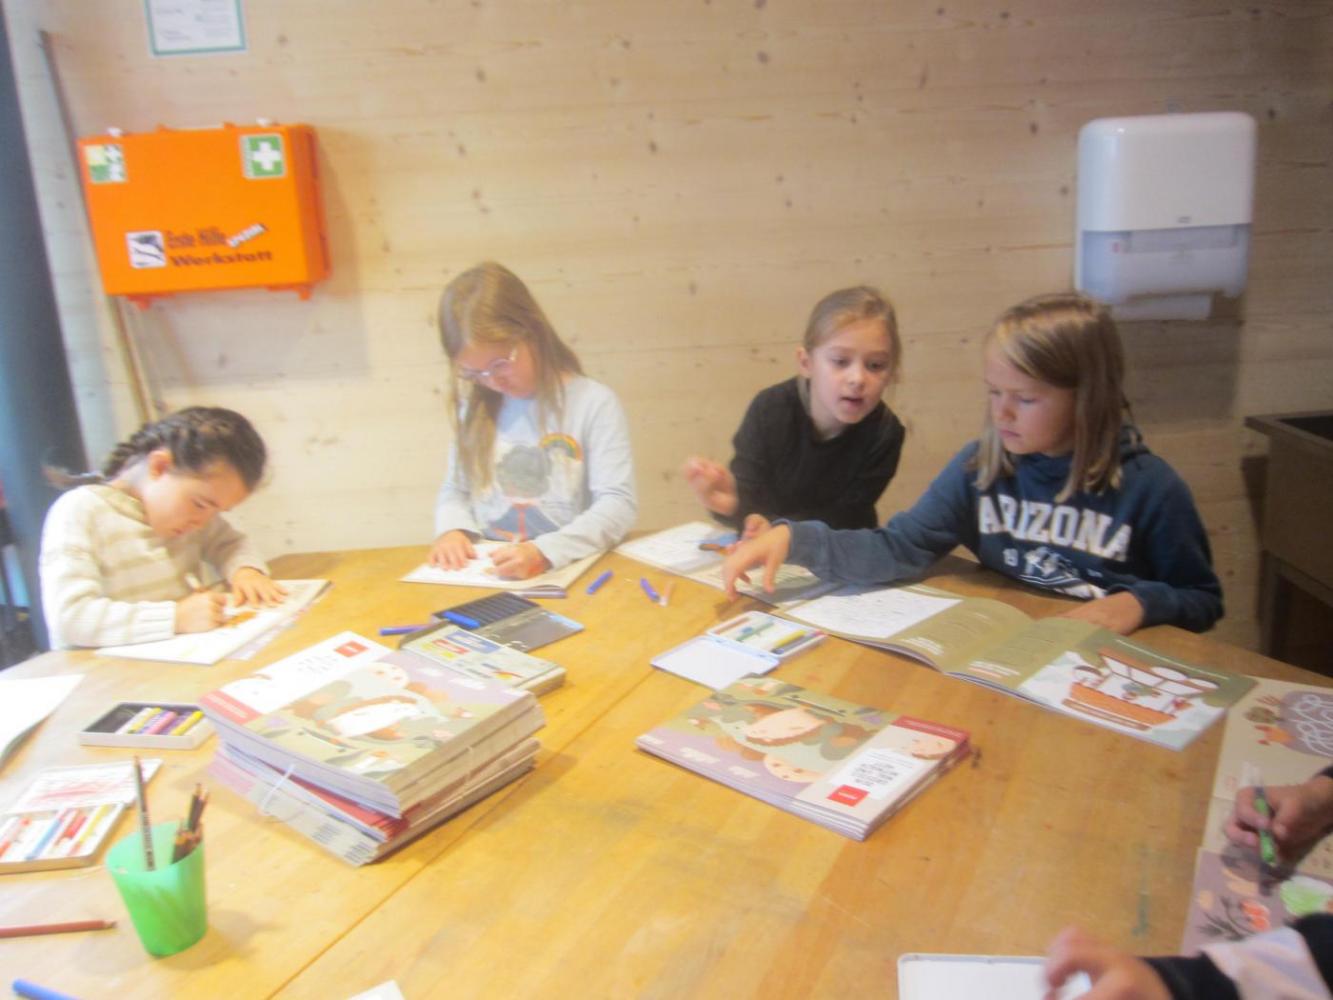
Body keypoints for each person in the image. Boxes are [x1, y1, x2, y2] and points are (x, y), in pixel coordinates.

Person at [721, 292, 1222, 634]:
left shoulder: (1151, 489)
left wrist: (1141, 603)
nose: (1001, 413)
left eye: (1024, 398)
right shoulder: (979, 469)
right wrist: (796, 539)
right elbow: (899, 548)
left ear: (1087, 398)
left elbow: (1202, 599)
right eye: (994, 392)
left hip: (1111, 666)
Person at [429, 261, 637, 579]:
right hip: (490, 574)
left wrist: (544, 552)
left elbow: (617, 505)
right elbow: (455, 489)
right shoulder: (474, 409)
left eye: (500, 363)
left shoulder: (592, 403)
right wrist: (452, 530)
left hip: (564, 573)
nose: (492, 381)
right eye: (473, 373)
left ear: (532, 332)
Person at [39, 406, 284, 650]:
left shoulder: (190, 517)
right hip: (103, 670)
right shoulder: (80, 511)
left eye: (217, 511)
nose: (202, 522)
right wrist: (175, 618)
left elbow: (229, 543)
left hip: (174, 659)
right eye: (200, 504)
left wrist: (245, 571)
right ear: (159, 467)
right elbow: (70, 618)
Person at [682, 285, 905, 540]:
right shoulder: (769, 410)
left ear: (891, 373)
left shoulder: (885, 433)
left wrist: (777, 532)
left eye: (875, 365)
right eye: (840, 361)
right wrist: (731, 505)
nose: (857, 378)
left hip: (836, 552)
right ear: (806, 363)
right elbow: (749, 503)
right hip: (767, 547)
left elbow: (846, 517)